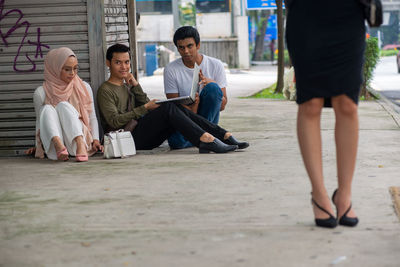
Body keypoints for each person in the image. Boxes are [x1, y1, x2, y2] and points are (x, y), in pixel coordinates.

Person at [285, 0, 365, 228]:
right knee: (311, 103)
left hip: (348, 13)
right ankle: (319, 195)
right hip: (306, 13)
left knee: (347, 104)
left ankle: (344, 195)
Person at [97, 43, 248, 154]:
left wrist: (136, 87)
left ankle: (221, 135)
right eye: (118, 63)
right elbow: (114, 121)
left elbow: (144, 105)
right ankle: (206, 139)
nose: (124, 67)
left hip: (141, 133)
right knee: (168, 107)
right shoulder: (105, 90)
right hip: (128, 140)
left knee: (173, 106)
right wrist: (146, 108)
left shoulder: (127, 85)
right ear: (108, 63)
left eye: (126, 62)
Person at [32, 47, 103, 162]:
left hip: (77, 147)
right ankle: (58, 143)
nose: (72, 73)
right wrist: (38, 146)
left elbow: (92, 116)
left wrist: (96, 139)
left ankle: (80, 142)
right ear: (55, 68)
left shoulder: (83, 87)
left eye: (75, 69)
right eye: (67, 69)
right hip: (55, 151)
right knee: (47, 109)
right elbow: (40, 122)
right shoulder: (40, 93)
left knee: (63, 106)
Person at [163, 26, 229, 149]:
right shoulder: (171, 69)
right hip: (186, 119)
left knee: (213, 88)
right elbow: (174, 108)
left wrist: (211, 82)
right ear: (177, 48)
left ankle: (204, 136)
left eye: (190, 46)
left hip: (208, 117)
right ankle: (208, 138)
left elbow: (222, 105)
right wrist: (194, 107)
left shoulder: (215, 65)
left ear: (198, 45)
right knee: (176, 142)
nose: (186, 51)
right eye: (181, 48)